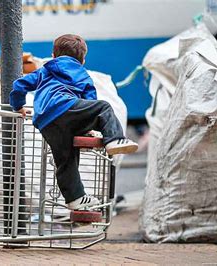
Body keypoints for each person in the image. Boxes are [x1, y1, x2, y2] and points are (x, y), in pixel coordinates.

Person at [9, 34, 138, 210]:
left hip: (46, 122)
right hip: (65, 107)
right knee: (103, 108)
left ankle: (75, 198)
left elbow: (19, 85)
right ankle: (114, 139)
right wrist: (91, 129)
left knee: (66, 161)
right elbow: (90, 101)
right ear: (83, 60)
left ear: (53, 55)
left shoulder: (45, 70)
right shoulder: (82, 73)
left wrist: (18, 106)